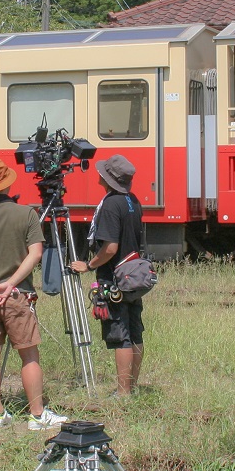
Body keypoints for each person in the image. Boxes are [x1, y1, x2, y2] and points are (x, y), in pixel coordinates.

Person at [0, 157, 67, 430]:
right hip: (16, 295)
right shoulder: (27, 214)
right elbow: (35, 254)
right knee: (29, 355)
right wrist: (11, 283)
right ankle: (37, 415)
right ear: (8, 183)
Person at [70, 155, 145, 398]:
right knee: (135, 332)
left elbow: (110, 248)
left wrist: (89, 265)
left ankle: (123, 393)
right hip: (133, 275)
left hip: (114, 278)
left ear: (107, 179)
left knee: (119, 334)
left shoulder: (111, 204)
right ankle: (131, 387)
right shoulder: (132, 201)